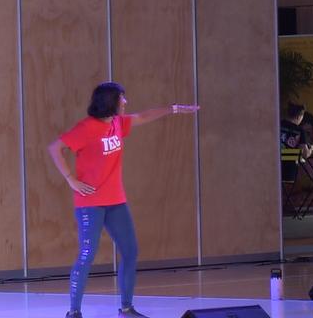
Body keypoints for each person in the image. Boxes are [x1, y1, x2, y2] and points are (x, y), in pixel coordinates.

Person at [47, 81, 199, 318]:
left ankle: (127, 308)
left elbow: (144, 116)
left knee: (130, 251)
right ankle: (74, 312)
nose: (126, 102)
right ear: (110, 101)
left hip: (115, 199)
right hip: (90, 201)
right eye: (122, 98)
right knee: (88, 253)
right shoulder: (86, 128)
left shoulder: (118, 123)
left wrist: (175, 108)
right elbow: (55, 148)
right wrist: (70, 179)